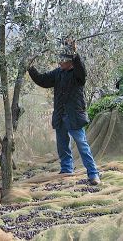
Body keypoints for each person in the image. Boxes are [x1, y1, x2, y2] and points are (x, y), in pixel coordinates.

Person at [28, 39, 101, 185]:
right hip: (60, 116)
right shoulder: (58, 73)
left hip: (74, 116)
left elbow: (81, 69)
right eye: (59, 60)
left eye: (63, 60)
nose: (60, 63)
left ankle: (93, 174)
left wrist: (74, 52)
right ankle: (67, 170)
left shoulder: (77, 75)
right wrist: (30, 68)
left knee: (82, 144)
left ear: (70, 62)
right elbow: (42, 80)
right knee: (62, 145)